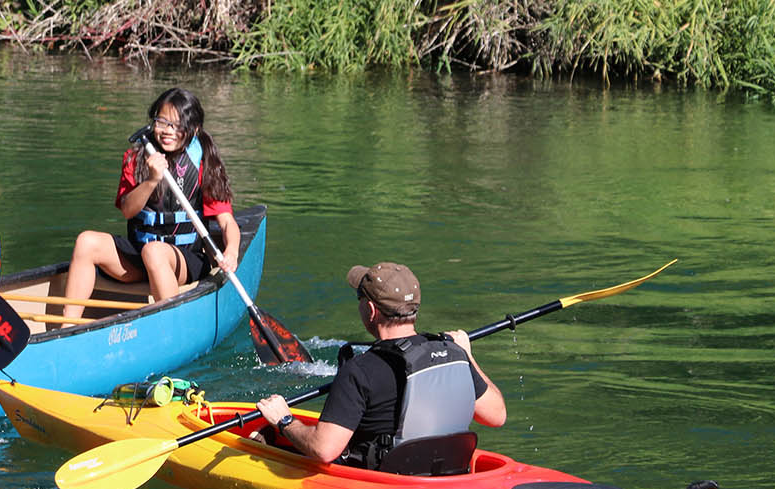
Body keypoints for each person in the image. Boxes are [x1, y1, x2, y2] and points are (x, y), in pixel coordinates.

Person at [254, 262, 506, 468]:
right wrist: (467, 355)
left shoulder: (360, 369)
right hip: (447, 471)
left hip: (384, 482)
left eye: (359, 298)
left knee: (267, 437)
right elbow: (496, 416)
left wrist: (284, 420)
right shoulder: (452, 353)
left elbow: (324, 450)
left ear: (371, 310)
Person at [60, 88, 240, 322]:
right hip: (138, 254)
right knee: (86, 241)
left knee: (154, 252)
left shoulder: (204, 159)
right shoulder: (136, 158)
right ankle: (67, 326)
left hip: (184, 259)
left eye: (177, 125)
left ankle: (173, 325)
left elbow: (226, 221)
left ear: (194, 129)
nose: (168, 131)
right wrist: (152, 180)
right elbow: (128, 210)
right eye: (162, 122)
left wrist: (232, 252)